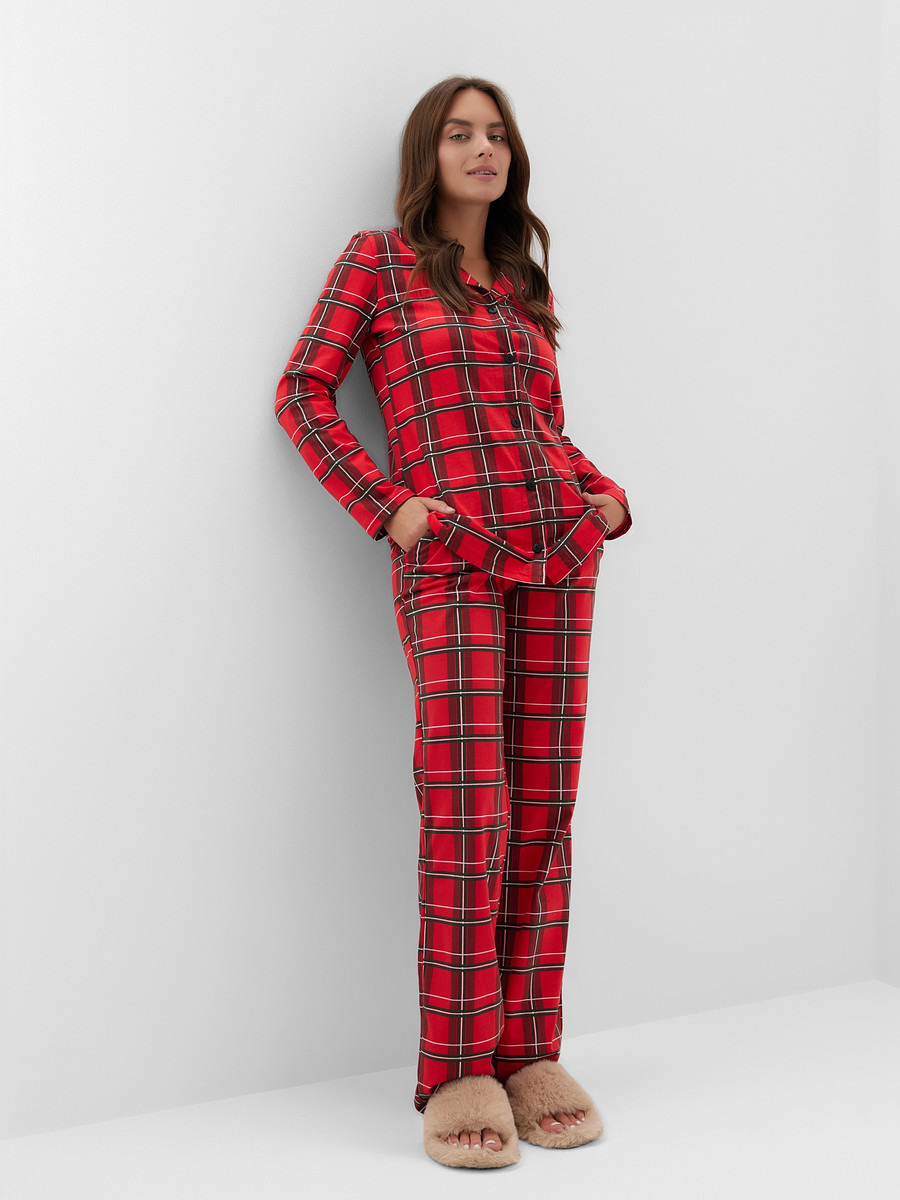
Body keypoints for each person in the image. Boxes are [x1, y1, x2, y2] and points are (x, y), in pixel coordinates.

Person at [274, 75, 632, 1169]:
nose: (483, 150)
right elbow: (301, 392)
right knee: (470, 805)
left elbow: (542, 425)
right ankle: (458, 1069)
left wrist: (602, 493)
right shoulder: (377, 262)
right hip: (452, 557)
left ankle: (529, 1056)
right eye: (459, 134)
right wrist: (389, 509)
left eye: (497, 136)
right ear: (426, 154)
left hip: (559, 552)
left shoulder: (523, 282)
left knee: (544, 808)